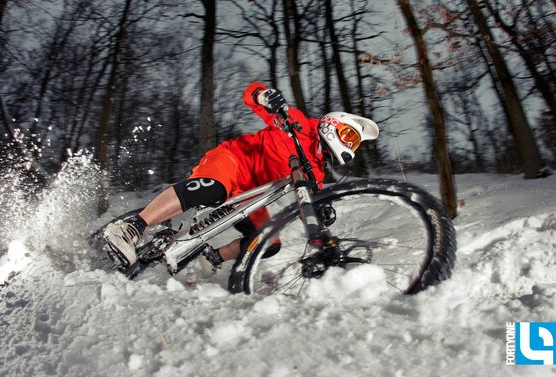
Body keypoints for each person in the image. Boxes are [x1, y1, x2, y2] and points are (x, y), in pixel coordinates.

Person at [103, 81, 379, 270]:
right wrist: (263, 96)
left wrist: (322, 211)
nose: (348, 144)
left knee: (269, 243)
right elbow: (252, 95)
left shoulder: (315, 171)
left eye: (354, 143)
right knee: (212, 188)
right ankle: (132, 227)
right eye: (347, 135)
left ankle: (212, 259)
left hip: (251, 196)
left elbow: (308, 200)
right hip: (233, 162)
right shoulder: (296, 124)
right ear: (333, 122)